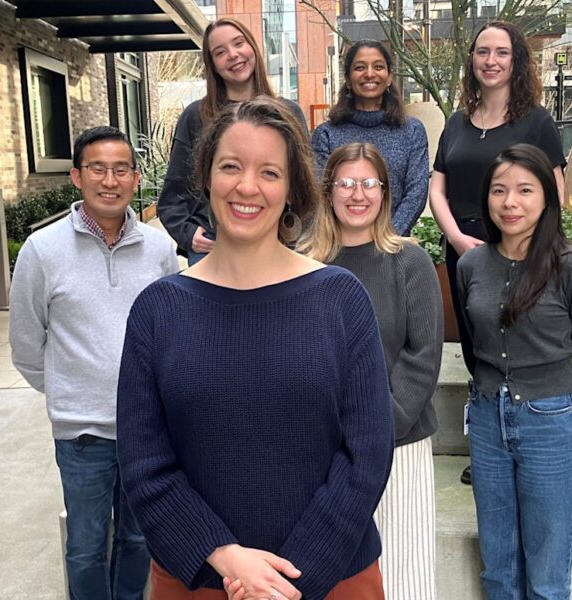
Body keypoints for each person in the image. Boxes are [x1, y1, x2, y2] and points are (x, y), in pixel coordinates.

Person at [117, 98, 394, 600]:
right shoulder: (158, 310)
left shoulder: (340, 299)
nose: (247, 186)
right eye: (230, 166)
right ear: (206, 177)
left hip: (331, 578)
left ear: (291, 190)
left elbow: (367, 451)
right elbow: (144, 462)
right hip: (201, 580)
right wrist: (225, 556)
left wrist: (287, 581)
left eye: (269, 172)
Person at [9, 126, 179, 600]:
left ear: (135, 177)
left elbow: (173, 334)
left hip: (147, 430)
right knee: (85, 548)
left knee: (139, 539)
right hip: (81, 434)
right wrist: (70, 390)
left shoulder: (160, 250)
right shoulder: (43, 250)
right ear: (76, 176)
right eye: (98, 169)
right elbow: (26, 342)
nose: (110, 180)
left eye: (121, 169)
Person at [457, 144, 572, 600]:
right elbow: (472, 342)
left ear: (547, 196)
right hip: (487, 419)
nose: (511, 202)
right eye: (499, 190)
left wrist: (562, 408)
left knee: (547, 573)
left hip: (551, 422)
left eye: (525, 190)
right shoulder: (470, 265)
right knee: (498, 565)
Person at [299, 142, 443, 599]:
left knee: (402, 575)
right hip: (324, 450)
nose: (357, 194)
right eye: (346, 183)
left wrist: (377, 431)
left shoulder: (409, 262)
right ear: (328, 191)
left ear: (384, 192)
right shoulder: (303, 265)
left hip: (399, 443)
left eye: (368, 183)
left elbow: (423, 356)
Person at [429, 20, 567, 484]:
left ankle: (525, 442)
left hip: (518, 250)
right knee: (477, 348)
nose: (491, 61)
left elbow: (554, 191)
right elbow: (438, 188)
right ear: (472, 59)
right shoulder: (456, 123)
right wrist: (455, 238)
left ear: (516, 61)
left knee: (514, 345)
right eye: (482, 51)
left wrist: (526, 245)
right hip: (465, 250)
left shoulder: (536, 122)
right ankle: (487, 445)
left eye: (501, 52)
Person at [157, 17, 308, 265]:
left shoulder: (289, 114)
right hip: (213, 246)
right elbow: (172, 195)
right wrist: (187, 233)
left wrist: (297, 234)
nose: (233, 55)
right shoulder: (195, 117)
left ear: (253, 48)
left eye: (239, 43)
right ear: (213, 65)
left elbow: (306, 185)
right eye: (220, 52)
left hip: (278, 241)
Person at [311, 40, 428, 236]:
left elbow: (416, 193)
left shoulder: (412, 130)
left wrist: (387, 239)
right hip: (341, 245)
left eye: (378, 67)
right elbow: (321, 195)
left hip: (395, 244)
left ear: (389, 77)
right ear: (348, 79)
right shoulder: (326, 134)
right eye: (360, 67)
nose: (370, 74)